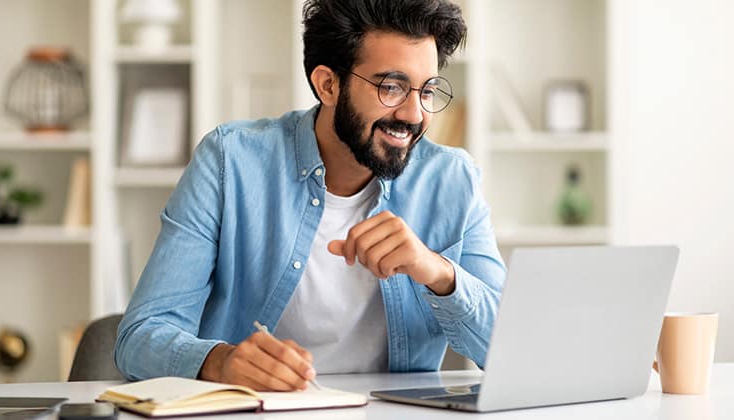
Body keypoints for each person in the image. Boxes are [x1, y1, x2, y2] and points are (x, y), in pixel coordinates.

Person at [114, 0, 505, 392]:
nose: (414, 114)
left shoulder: (453, 179)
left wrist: (439, 273)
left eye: (427, 91)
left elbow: (510, 351)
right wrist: (221, 362)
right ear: (328, 84)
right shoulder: (229, 162)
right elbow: (140, 336)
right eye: (392, 87)